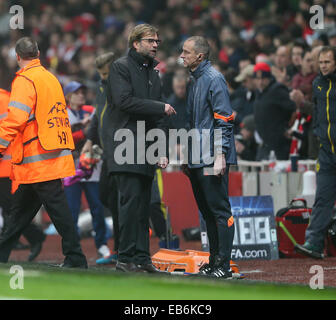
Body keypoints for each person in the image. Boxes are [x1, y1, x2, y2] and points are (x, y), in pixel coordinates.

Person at [0, 37, 87, 268]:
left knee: (57, 212)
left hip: (36, 159)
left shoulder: (24, 80)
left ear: (18, 57)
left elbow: (15, 120)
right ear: (38, 53)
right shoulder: (50, 78)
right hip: (49, 156)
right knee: (18, 213)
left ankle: (76, 258)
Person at [106, 24, 176, 273]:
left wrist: (162, 149)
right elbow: (124, 102)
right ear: (135, 43)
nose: (156, 45)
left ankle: (142, 257)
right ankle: (124, 258)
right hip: (125, 146)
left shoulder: (153, 73)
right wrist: (160, 107)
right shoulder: (120, 67)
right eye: (150, 40)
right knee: (129, 204)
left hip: (146, 149)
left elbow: (158, 119)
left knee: (144, 205)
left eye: (157, 41)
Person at [180, 36, 236, 279]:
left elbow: (224, 119)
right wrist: (187, 154)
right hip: (197, 157)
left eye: (186, 52)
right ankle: (214, 263)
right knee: (208, 212)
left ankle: (223, 266)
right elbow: (193, 123)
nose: (181, 56)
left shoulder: (214, 79)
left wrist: (221, 155)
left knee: (219, 211)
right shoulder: (196, 80)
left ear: (199, 56)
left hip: (211, 157)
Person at [63, 80, 112, 260]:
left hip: (92, 167)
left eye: (83, 92)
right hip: (71, 166)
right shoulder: (62, 114)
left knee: (97, 208)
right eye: (77, 93)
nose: (81, 95)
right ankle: (73, 248)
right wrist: (83, 131)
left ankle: (102, 244)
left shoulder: (91, 111)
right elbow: (64, 138)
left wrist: (89, 129)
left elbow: (100, 126)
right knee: (72, 210)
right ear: (69, 96)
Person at [295, 46, 336, 259]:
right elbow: (319, 114)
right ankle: (314, 242)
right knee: (322, 198)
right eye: (321, 63)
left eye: (327, 62)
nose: (323, 66)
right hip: (327, 151)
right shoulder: (318, 84)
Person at [82, 52, 119, 265]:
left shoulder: (122, 87)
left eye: (105, 73)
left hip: (121, 152)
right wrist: (90, 141)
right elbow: (98, 116)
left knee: (116, 201)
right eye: (100, 73)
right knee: (108, 198)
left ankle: (123, 251)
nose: (103, 77)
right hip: (107, 152)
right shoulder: (102, 87)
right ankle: (120, 249)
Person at [0, 88, 46, 261]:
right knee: (9, 207)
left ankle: (32, 236)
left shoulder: (2, 99)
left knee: (11, 206)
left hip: (4, 165)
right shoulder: (4, 98)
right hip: (5, 163)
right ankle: (29, 237)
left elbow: (6, 132)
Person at [253, 62, 296, 160]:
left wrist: (287, 128)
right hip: (265, 144)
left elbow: (293, 108)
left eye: (263, 79)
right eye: (257, 79)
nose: (260, 82)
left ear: (269, 78)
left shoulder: (277, 90)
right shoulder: (259, 93)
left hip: (279, 144)